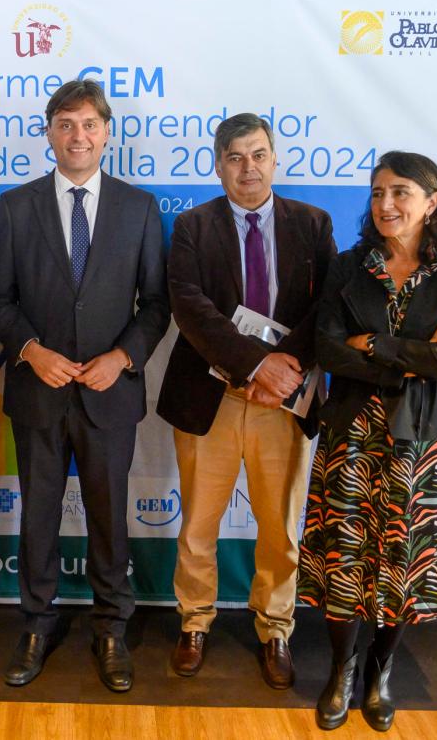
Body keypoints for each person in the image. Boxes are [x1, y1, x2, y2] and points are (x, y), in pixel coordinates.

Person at [0, 79, 170, 693]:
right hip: (38, 392)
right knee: (37, 517)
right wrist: (31, 351)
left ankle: (112, 630)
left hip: (109, 394)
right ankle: (35, 625)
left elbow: (157, 305)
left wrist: (124, 357)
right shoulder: (16, 206)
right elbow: (0, 300)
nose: (78, 135)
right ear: (49, 133)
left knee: (109, 520)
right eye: (66, 124)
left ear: (107, 132)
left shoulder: (140, 208)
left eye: (90, 123)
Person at [299, 151, 437, 731]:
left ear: (432, 202)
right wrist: (408, 353)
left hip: (422, 439)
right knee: (344, 557)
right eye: (378, 192)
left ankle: (380, 672)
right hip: (353, 429)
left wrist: (371, 345)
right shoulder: (349, 266)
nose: (386, 204)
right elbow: (327, 350)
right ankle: (341, 671)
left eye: (401, 192)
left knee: (402, 564)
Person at [156, 113, 337, 689]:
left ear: (274, 158)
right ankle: (195, 621)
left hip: (284, 401)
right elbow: (189, 306)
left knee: (280, 526)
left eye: (258, 154)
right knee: (198, 524)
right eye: (235, 157)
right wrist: (254, 363)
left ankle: (275, 626)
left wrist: (281, 370)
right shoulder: (192, 225)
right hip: (210, 397)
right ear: (217, 164)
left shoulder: (312, 224)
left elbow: (326, 310)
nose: (248, 168)